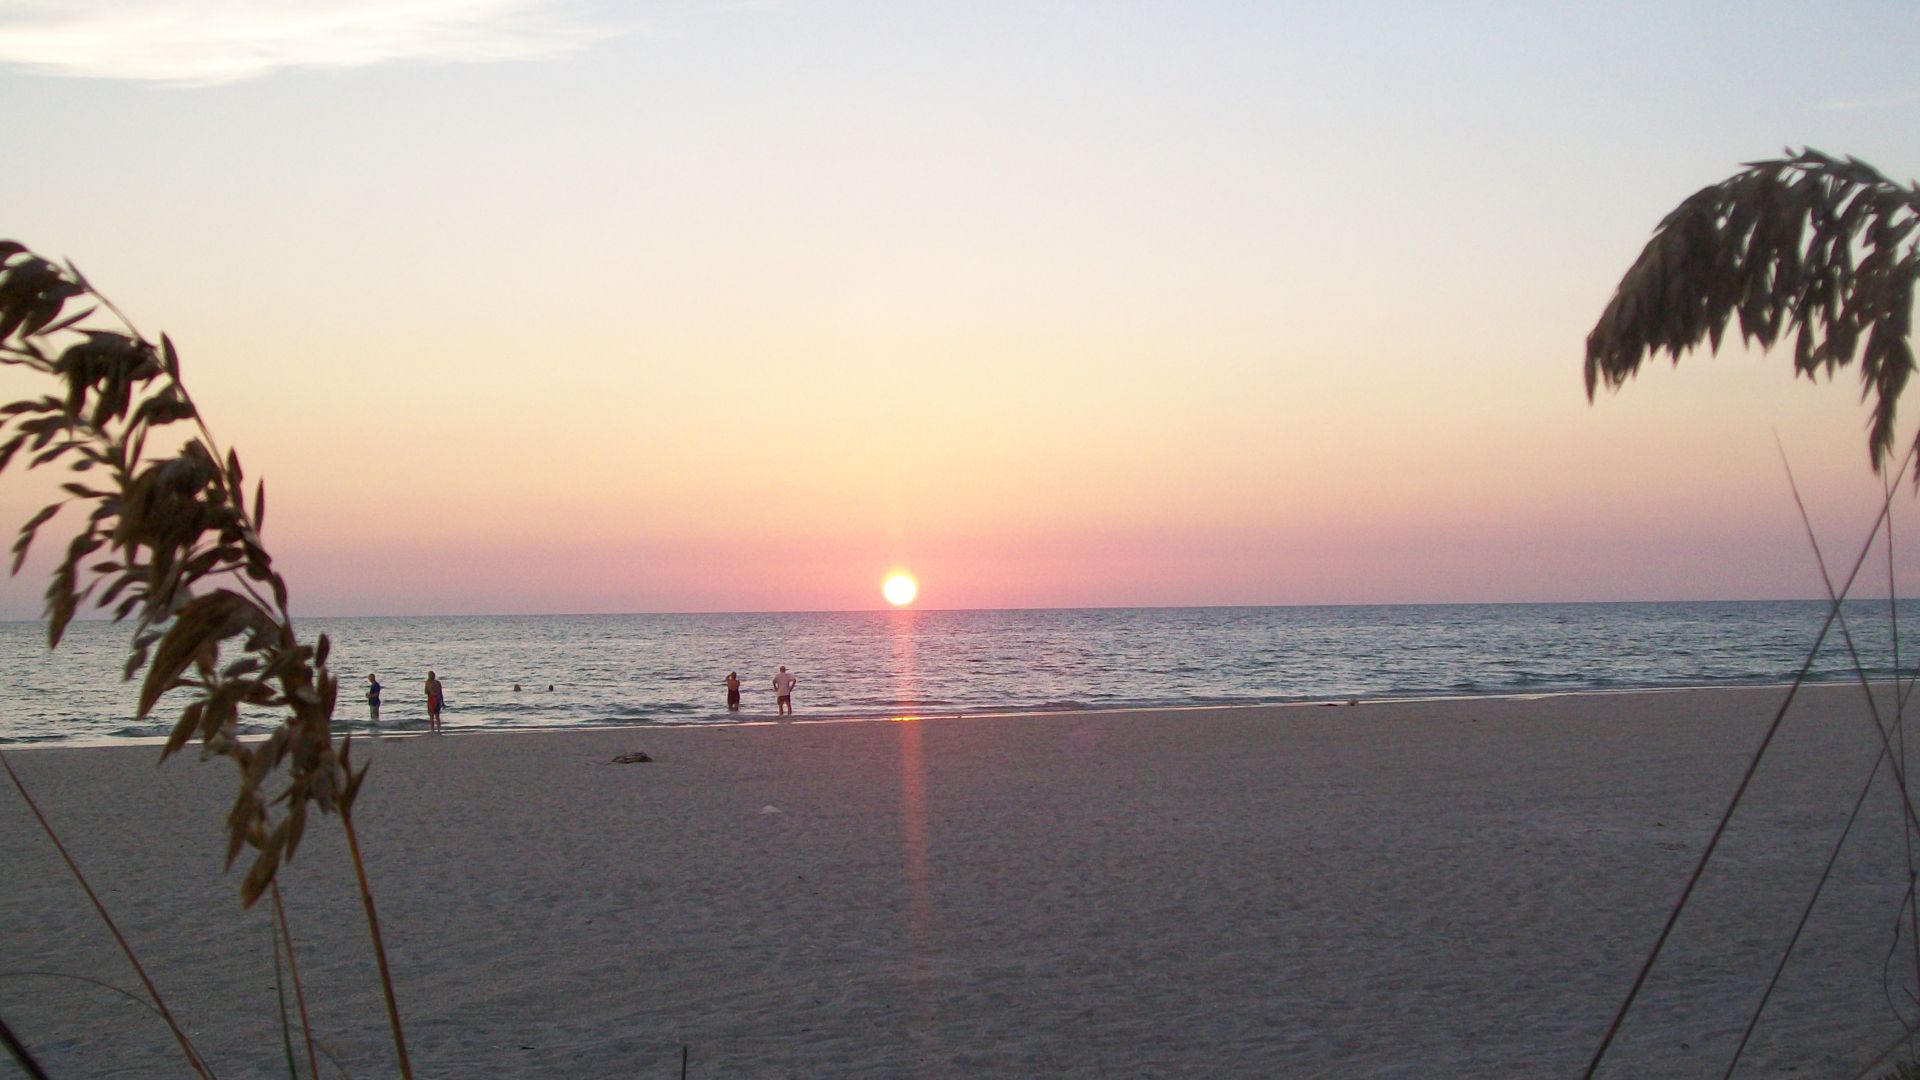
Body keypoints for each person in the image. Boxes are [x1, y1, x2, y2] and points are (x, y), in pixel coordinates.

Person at [424, 670, 445, 734]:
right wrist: (443, 702)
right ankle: (438, 730)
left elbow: (425, 692)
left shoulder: (428, 682)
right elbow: (441, 693)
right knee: (437, 716)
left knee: (431, 716)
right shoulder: (438, 682)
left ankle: (432, 730)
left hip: (432, 700)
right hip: (438, 700)